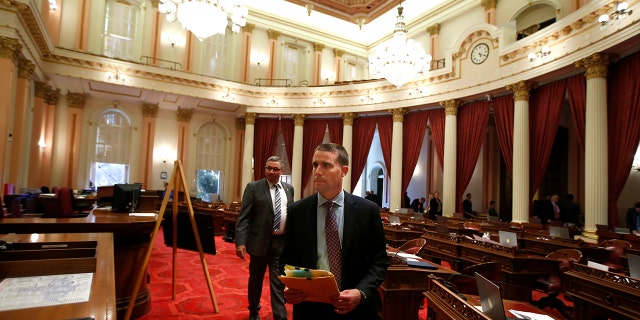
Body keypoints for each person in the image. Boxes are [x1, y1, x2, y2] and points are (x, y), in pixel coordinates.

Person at [282, 143, 390, 320]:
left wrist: (360, 292)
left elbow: (379, 261)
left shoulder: (367, 210)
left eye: (326, 165)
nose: (317, 171)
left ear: (344, 171)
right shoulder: (297, 211)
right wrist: (291, 286)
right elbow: (287, 259)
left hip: (357, 308)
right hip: (310, 307)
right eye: (315, 165)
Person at [235, 156, 294, 320]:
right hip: (259, 242)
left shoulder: (289, 189)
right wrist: (240, 242)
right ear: (264, 169)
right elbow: (244, 217)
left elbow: (291, 215)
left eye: (276, 169)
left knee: (278, 281)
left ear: (282, 171)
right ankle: (254, 311)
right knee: (256, 280)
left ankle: (280, 316)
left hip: (280, 243)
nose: (272, 171)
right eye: (269, 168)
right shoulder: (253, 187)